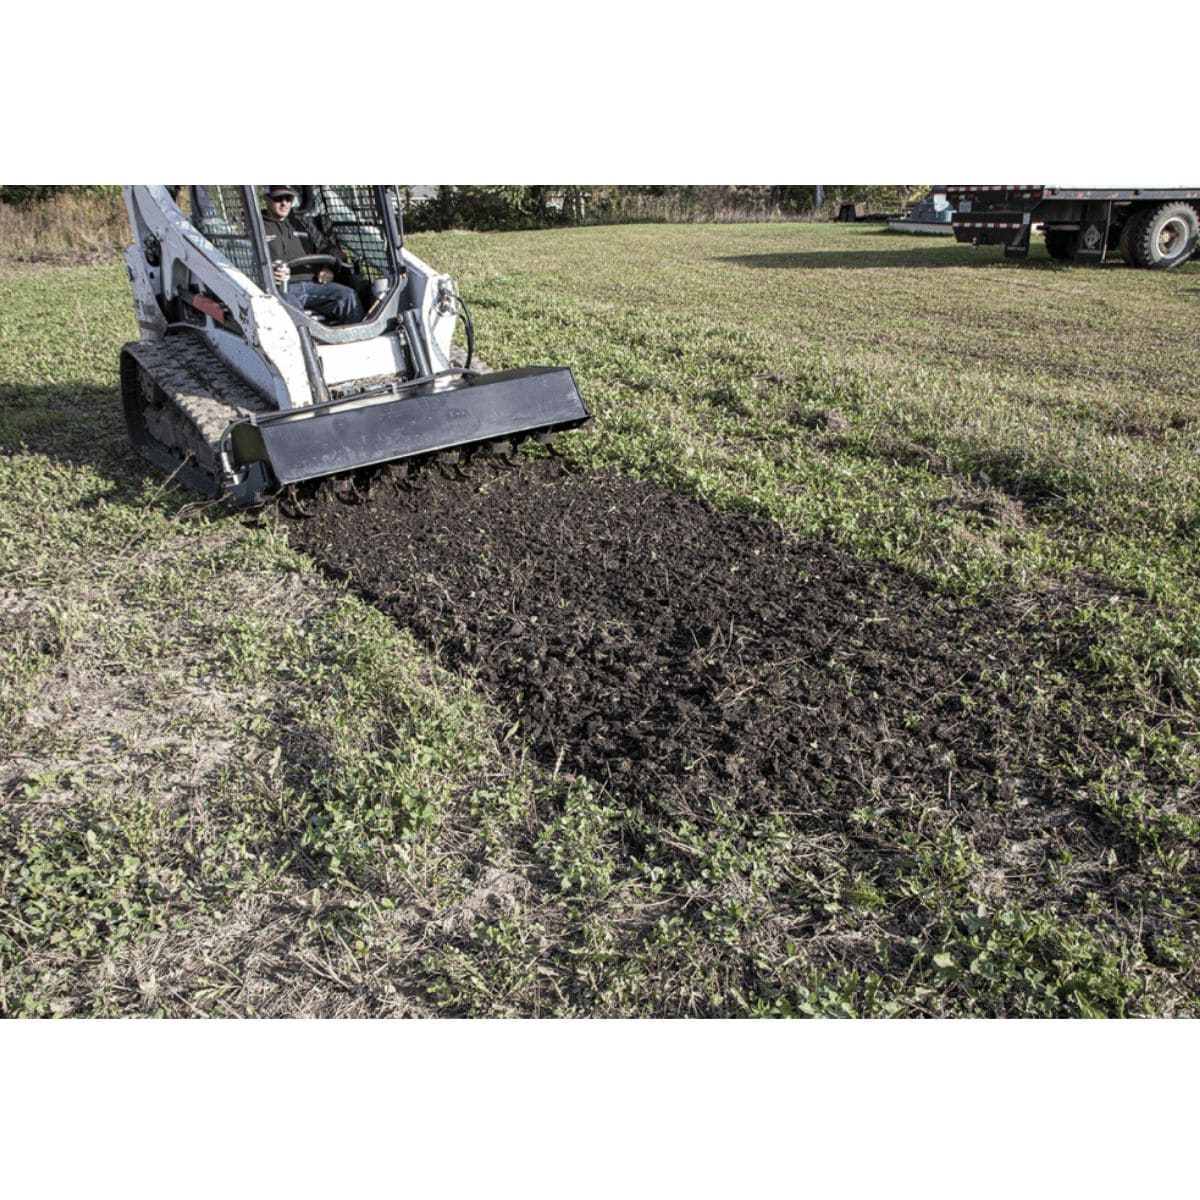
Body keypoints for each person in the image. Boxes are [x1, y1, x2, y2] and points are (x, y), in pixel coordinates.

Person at [260, 186, 365, 324]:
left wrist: (329, 268)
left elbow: (329, 248)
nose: (284, 203)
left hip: (314, 283)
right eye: (278, 198)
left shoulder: (302, 223)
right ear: (266, 198)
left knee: (347, 296)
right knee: (289, 306)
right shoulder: (258, 228)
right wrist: (268, 274)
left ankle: (356, 340)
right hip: (281, 288)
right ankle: (305, 344)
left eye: (289, 198)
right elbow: (247, 262)